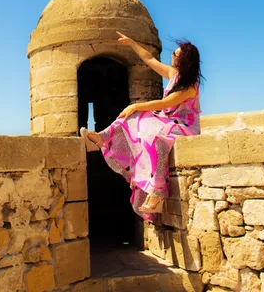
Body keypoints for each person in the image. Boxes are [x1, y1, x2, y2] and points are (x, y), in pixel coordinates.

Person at [80, 31, 202, 222]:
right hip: (169, 121)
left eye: (175, 54)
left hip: (184, 126)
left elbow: (164, 104)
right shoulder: (174, 75)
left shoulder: (189, 86)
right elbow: (149, 59)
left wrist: (135, 105)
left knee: (154, 135)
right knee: (132, 119)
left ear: (184, 60)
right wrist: (132, 43)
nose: (172, 56)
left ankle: (156, 191)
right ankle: (101, 138)